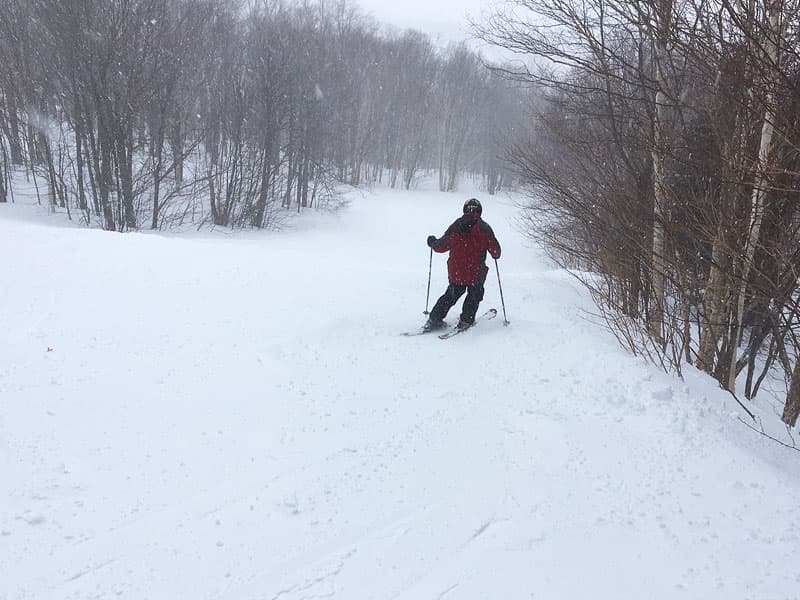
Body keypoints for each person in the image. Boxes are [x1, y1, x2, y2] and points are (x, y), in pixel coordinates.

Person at [424, 198, 501, 331]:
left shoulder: (456, 226)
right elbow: (496, 253)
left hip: (456, 271)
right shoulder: (484, 228)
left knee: (451, 295)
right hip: (476, 272)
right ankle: (466, 321)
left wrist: (432, 242)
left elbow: (441, 246)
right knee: (474, 295)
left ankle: (434, 319)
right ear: (480, 211)